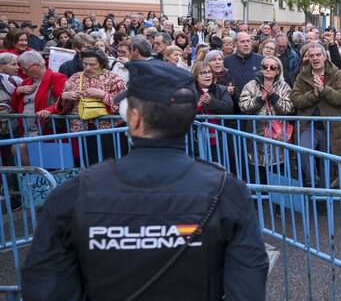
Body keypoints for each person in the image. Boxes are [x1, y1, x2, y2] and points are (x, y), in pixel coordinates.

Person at [21, 59, 269, 300]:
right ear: (189, 118)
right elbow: (248, 283)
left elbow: (45, 283)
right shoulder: (228, 191)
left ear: (134, 117)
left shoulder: (73, 194)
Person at [290, 42, 341, 186]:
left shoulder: (337, 74)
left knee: (326, 164)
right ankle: (313, 182)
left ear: (325, 56)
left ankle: (323, 194)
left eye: (318, 55)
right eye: (312, 55)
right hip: (308, 125)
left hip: (330, 126)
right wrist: (314, 94)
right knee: (303, 150)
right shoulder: (302, 75)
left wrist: (324, 90)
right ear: (308, 58)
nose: (315, 58)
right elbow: (296, 99)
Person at [56, 48, 126, 165]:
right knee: (89, 164)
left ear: (101, 63)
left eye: (92, 64)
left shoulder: (114, 78)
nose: (88, 67)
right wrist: (65, 96)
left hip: (109, 130)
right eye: (85, 64)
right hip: (82, 129)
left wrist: (103, 95)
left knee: (110, 164)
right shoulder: (75, 78)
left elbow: (123, 105)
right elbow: (63, 108)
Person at [12, 51, 66, 136]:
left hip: (48, 133)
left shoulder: (56, 78)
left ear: (37, 65)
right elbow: (15, 108)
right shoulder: (25, 82)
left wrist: (50, 110)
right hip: (27, 132)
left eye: (25, 69)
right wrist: (17, 92)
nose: (24, 73)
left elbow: (64, 102)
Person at [239, 56, 294, 134]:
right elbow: (243, 107)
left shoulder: (285, 87)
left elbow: (289, 109)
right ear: (261, 69)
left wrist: (273, 96)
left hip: (278, 132)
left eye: (273, 67)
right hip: (256, 132)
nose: (268, 69)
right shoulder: (250, 85)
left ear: (278, 71)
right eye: (265, 66)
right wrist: (260, 99)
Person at [223, 32, 262, 114]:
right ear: (235, 44)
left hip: (256, 109)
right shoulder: (226, 61)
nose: (246, 44)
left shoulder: (261, 60)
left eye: (248, 41)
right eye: (242, 41)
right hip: (234, 110)